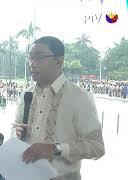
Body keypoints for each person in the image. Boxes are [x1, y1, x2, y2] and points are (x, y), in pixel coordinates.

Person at [12, 36, 105, 180]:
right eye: (30, 58)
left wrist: (55, 149)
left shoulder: (79, 97)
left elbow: (96, 146)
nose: (32, 64)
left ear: (59, 60)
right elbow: (14, 129)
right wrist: (16, 134)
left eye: (39, 57)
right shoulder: (26, 94)